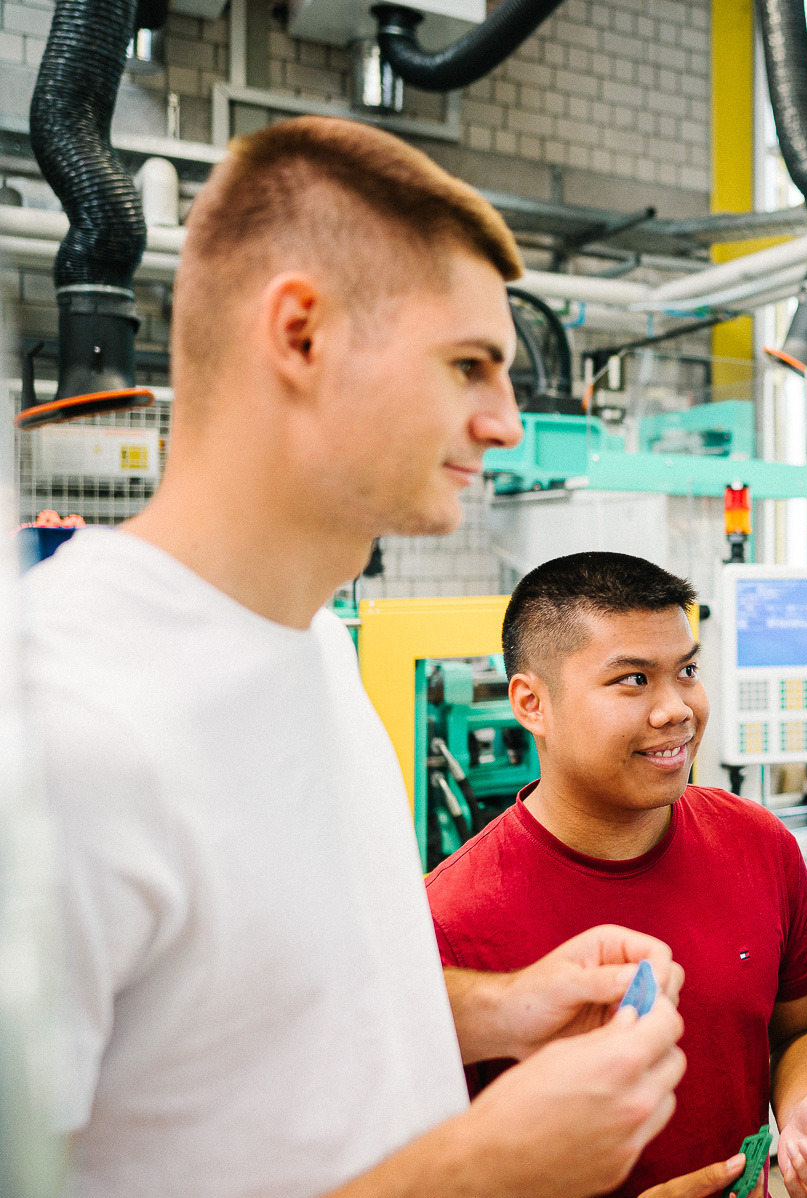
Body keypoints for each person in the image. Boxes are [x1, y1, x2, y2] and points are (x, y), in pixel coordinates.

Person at [26, 116, 690, 1198]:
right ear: (301, 335)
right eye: (470, 365)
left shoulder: (321, 649)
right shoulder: (58, 724)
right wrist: (483, 1167)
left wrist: (506, 1006)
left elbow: (260, 1024)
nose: (509, 422)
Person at [426, 551, 807, 1198]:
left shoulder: (759, 845)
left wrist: (804, 1105)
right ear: (531, 704)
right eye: (633, 680)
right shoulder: (450, 925)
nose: (677, 709)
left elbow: (804, 1025)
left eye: (686, 670)